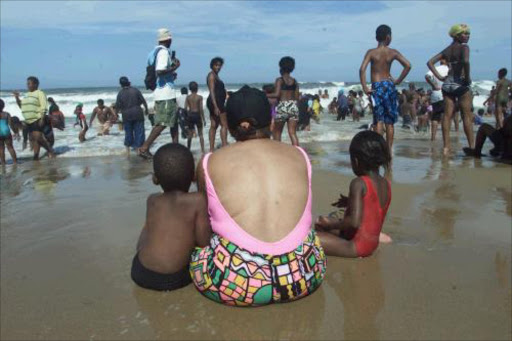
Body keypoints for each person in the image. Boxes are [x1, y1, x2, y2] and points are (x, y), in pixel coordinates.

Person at [190, 85, 326, 306]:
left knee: (197, 255)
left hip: (238, 283)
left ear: (231, 128)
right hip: (304, 274)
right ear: (271, 121)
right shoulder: (299, 155)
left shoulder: (209, 162)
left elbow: (205, 222)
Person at [131, 143, 211, 291]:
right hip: (172, 279)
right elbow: (203, 243)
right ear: (193, 176)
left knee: (149, 227)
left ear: (155, 179)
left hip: (139, 271)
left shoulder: (152, 200)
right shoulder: (197, 200)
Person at [315, 131, 392, 258]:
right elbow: (373, 207)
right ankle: (379, 236)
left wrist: (330, 224)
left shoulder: (358, 183)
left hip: (355, 247)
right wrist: (349, 201)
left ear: (356, 161)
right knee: (322, 223)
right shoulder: (386, 184)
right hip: (372, 244)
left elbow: (354, 222)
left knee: (309, 238)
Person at [359, 24, 411, 151]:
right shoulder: (392, 52)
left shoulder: (371, 52)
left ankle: (378, 150)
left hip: (377, 87)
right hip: (389, 85)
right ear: (388, 37)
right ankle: (388, 151)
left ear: (377, 37)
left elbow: (362, 69)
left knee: (378, 120)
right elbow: (408, 65)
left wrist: (365, 87)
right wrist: (398, 81)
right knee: (390, 122)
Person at [427, 24, 474, 155]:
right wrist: (467, 77)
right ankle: (472, 147)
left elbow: (430, 62)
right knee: (466, 116)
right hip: (460, 83)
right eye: (465, 34)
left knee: (447, 116)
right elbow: (466, 61)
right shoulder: (464, 47)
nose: (468, 36)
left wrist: (440, 77)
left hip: (447, 84)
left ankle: (446, 147)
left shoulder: (447, 49)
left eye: (468, 33)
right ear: (457, 35)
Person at [138, 28, 181, 159]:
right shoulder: (163, 53)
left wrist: (171, 75)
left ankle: (176, 148)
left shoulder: (154, 52)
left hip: (162, 91)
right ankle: (144, 148)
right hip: (165, 94)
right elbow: (160, 71)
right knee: (163, 122)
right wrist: (175, 67)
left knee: (174, 121)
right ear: (169, 39)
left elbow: (160, 75)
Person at [12, 76, 55, 159]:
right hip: (29, 121)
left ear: (35, 84)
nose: (27, 85)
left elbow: (44, 106)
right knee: (35, 140)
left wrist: (42, 118)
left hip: (37, 119)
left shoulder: (40, 93)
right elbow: (21, 106)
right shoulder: (27, 95)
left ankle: (50, 150)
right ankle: (36, 156)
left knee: (37, 136)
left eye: (29, 83)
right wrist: (17, 97)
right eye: (27, 84)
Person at [267, 56, 300, 146]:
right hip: (293, 105)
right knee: (292, 133)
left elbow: (276, 94)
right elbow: (297, 97)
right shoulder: (295, 81)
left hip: (283, 106)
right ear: (292, 68)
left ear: (281, 67)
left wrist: (263, 94)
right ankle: (297, 152)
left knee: (277, 133)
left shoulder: (280, 80)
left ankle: (278, 153)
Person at [114, 77, 148, 153]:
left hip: (126, 115)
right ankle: (139, 149)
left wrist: (116, 114)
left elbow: (117, 106)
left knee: (128, 132)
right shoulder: (135, 90)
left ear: (121, 84)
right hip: (138, 113)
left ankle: (128, 150)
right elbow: (143, 101)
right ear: (129, 82)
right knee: (139, 132)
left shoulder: (120, 93)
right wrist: (146, 110)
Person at [206, 57, 228, 152]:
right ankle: (224, 146)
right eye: (216, 65)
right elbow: (212, 91)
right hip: (216, 102)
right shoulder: (211, 76)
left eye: (219, 65)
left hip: (216, 101)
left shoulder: (216, 75)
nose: (218, 67)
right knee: (224, 125)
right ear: (212, 65)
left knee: (214, 125)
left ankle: (211, 149)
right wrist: (215, 106)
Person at [425, 58, 449, 141]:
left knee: (435, 117)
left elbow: (427, 76)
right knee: (445, 116)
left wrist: (433, 85)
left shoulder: (435, 69)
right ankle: (445, 138)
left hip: (435, 93)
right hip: (446, 94)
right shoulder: (449, 69)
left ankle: (433, 138)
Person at [185, 81, 206, 153]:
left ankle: (188, 149)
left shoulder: (188, 97)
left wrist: (186, 118)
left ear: (190, 89)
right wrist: (204, 119)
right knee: (200, 134)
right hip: (197, 115)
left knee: (190, 135)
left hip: (190, 115)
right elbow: (201, 109)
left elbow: (186, 108)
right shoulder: (199, 97)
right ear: (197, 88)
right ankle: (203, 150)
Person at [0, 99, 18, 165]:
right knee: (10, 147)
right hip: (6, 132)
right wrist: (15, 132)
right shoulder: (6, 114)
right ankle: (15, 162)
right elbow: (11, 124)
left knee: (1, 149)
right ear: (3, 106)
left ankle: (3, 163)